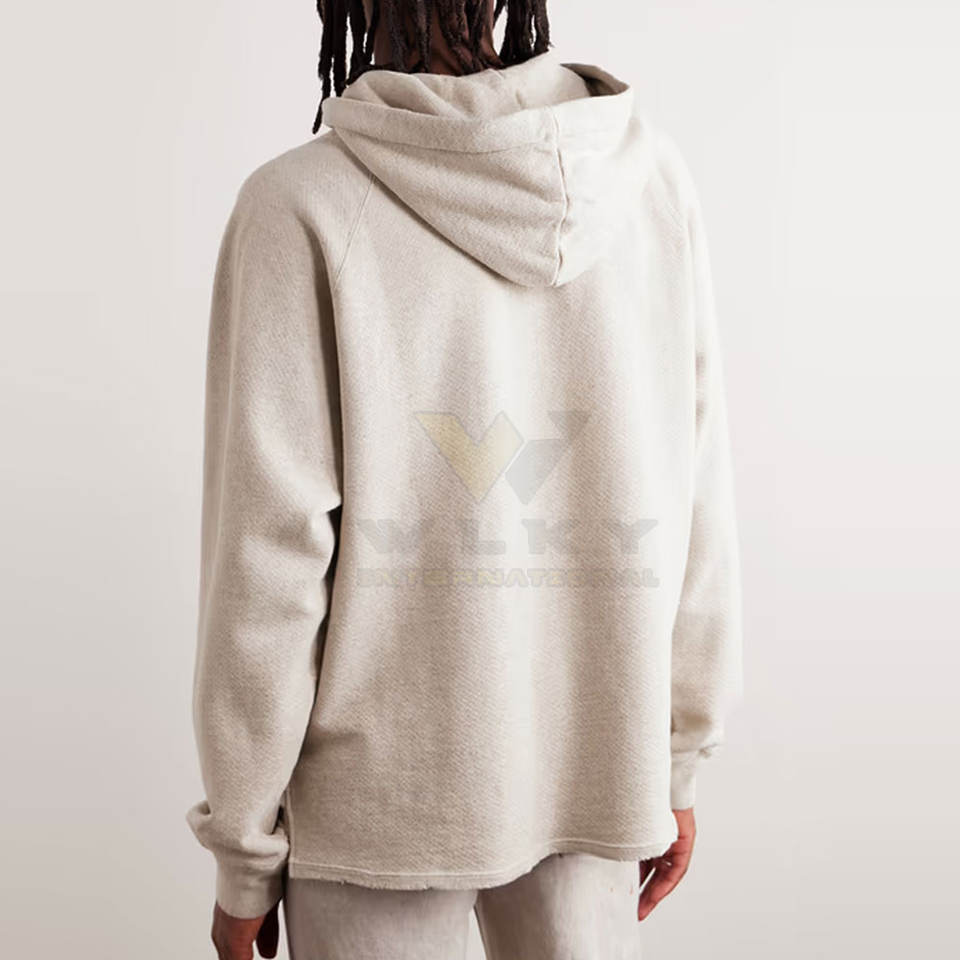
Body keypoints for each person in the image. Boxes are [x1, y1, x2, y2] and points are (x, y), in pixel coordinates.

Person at [187, 1, 743, 957]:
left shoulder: (300, 206)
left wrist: (245, 851)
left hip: (379, 809)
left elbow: (269, 563)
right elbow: (696, 497)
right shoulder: (649, 177)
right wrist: (674, 758)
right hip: (598, 765)